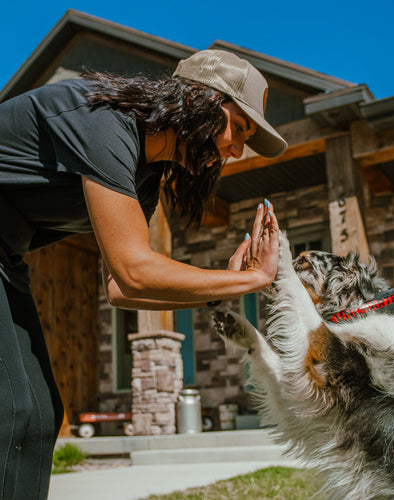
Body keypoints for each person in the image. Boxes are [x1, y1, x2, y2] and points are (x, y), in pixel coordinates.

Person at [0, 49, 287, 499]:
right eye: (237, 127)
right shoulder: (102, 117)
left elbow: (119, 289)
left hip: (5, 259)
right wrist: (250, 281)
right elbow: (134, 272)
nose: (237, 148)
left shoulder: (145, 174)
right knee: (15, 410)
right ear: (198, 102)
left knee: (37, 414)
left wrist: (216, 293)